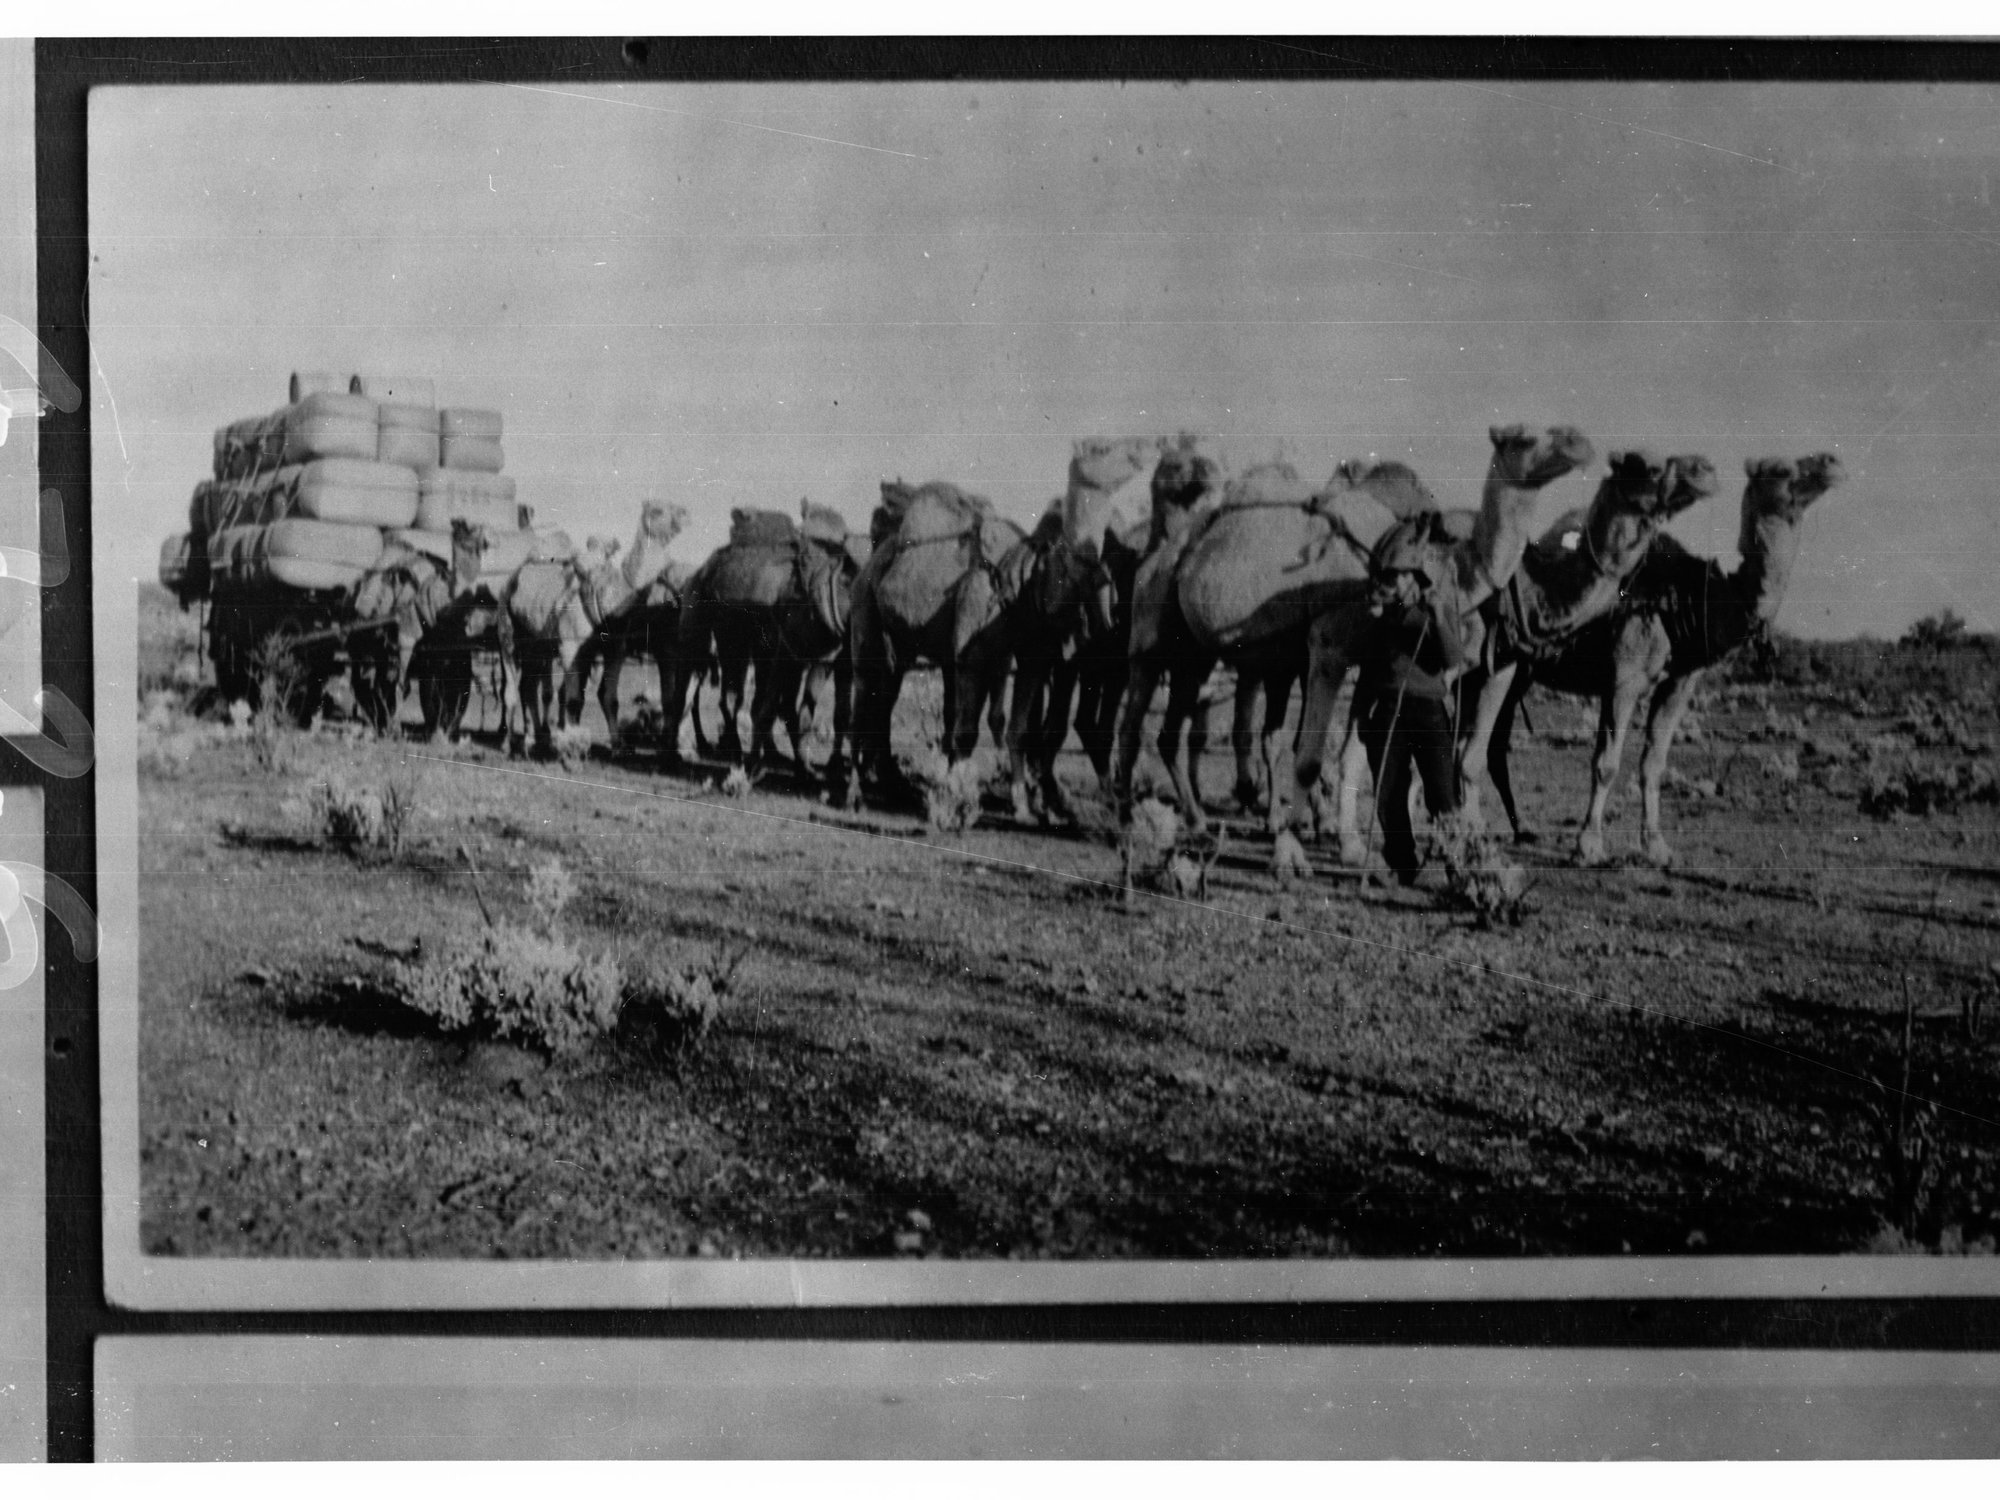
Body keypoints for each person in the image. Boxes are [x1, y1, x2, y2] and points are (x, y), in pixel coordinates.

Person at [1356, 546, 1475, 886]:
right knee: (1388, 789)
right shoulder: (1381, 616)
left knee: (1442, 792)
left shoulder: (1439, 609)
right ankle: (1401, 863)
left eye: (1400, 576)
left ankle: (1460, 867)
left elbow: (1453, 660)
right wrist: (1362, 715)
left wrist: (1437, 617)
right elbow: (1368, 669)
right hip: (1389, 707)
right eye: (1390, 576)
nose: (1393, 583)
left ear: (1415, 579)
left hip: (1429, 711)